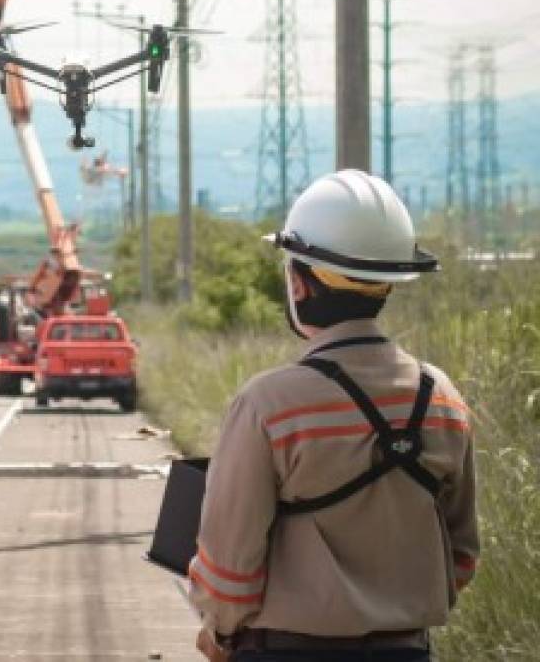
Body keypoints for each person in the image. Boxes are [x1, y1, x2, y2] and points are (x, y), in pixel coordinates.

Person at [189, 169, 478, 662]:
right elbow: (462, 554)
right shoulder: (442, 399)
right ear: (387, 285)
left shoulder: (267, 405)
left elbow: (230, 574)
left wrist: (219, 634)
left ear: (298, 284)